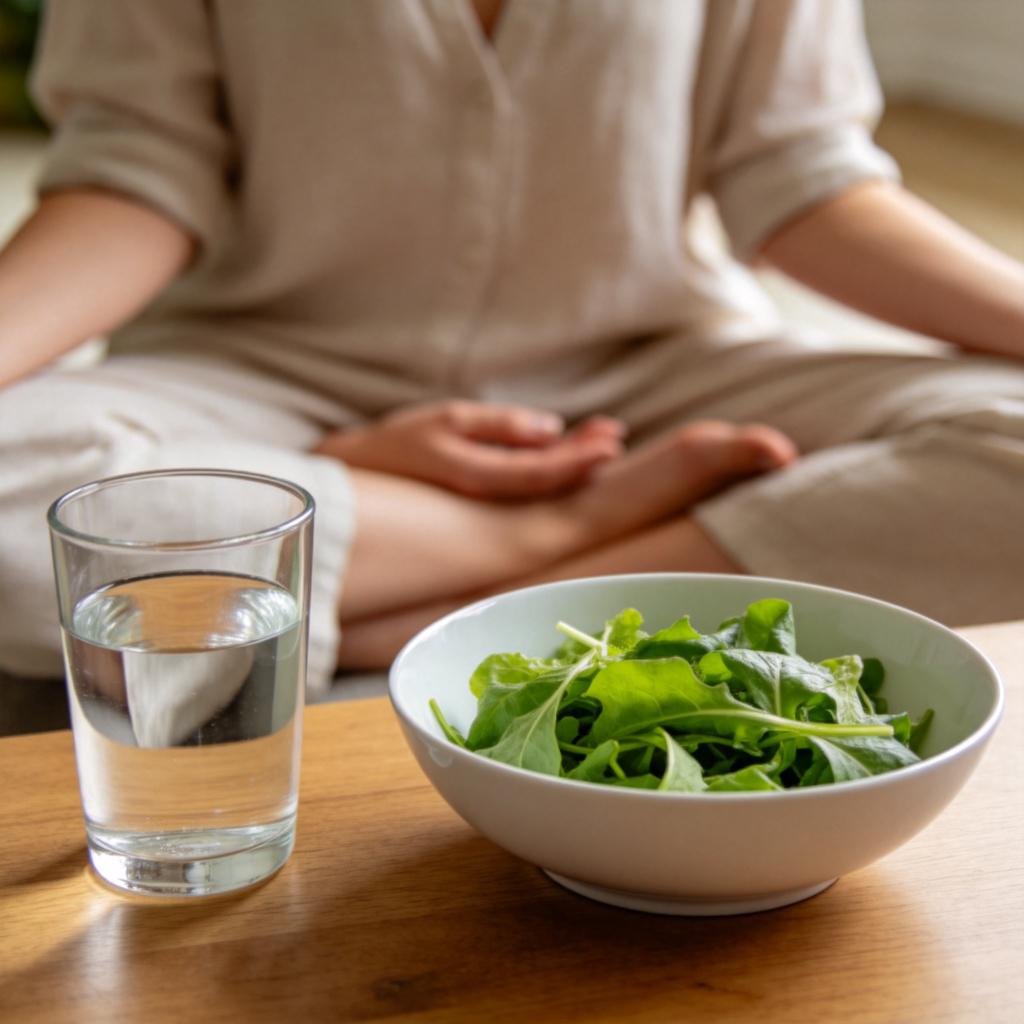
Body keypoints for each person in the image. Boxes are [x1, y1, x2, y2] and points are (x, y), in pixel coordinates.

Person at [1, 0, 1022, 698]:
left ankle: (392, 604)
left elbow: (801, 175)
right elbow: (138, 173)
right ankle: (545, 535)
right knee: (35, 501)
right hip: (261, 368)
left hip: (653, 367)